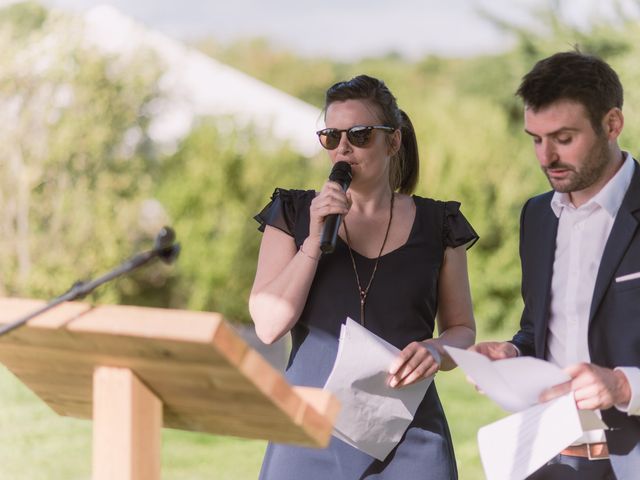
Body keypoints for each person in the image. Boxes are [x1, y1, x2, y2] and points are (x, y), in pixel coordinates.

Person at [249, 74, 477, 479]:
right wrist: (314, 242)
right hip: (308, 431)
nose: (343, 147)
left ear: (393, 141)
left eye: (359, 134)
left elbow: (461, 329)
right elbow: (268, 327)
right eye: (331, 136)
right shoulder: (292, 214)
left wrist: (438, 350)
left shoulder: (440, 223)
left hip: (409, 436)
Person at [472, 50, 640, 479]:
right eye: (535, 138)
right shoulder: (536, 217)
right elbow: (541, 328)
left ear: (612, 124)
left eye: (563, 139)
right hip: (550, 456)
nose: (546, 157)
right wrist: (512, 353)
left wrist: (623, 386)